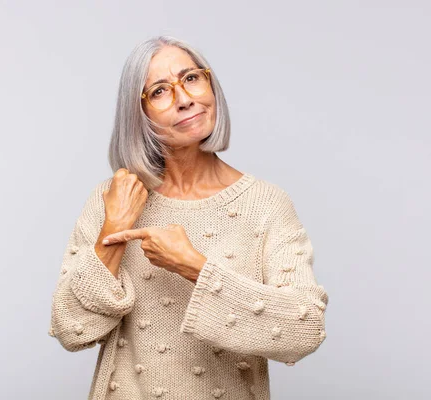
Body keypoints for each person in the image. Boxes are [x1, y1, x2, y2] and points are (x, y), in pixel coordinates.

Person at [48, 35, 329, 400]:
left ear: (210, 85)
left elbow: (303, 331)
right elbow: (71, 329)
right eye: (161, 91)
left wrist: (195, 267)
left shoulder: (267, 205)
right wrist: (114, 227)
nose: (184, 100)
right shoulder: (111, 201)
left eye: (192, 78)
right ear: (138, 112)